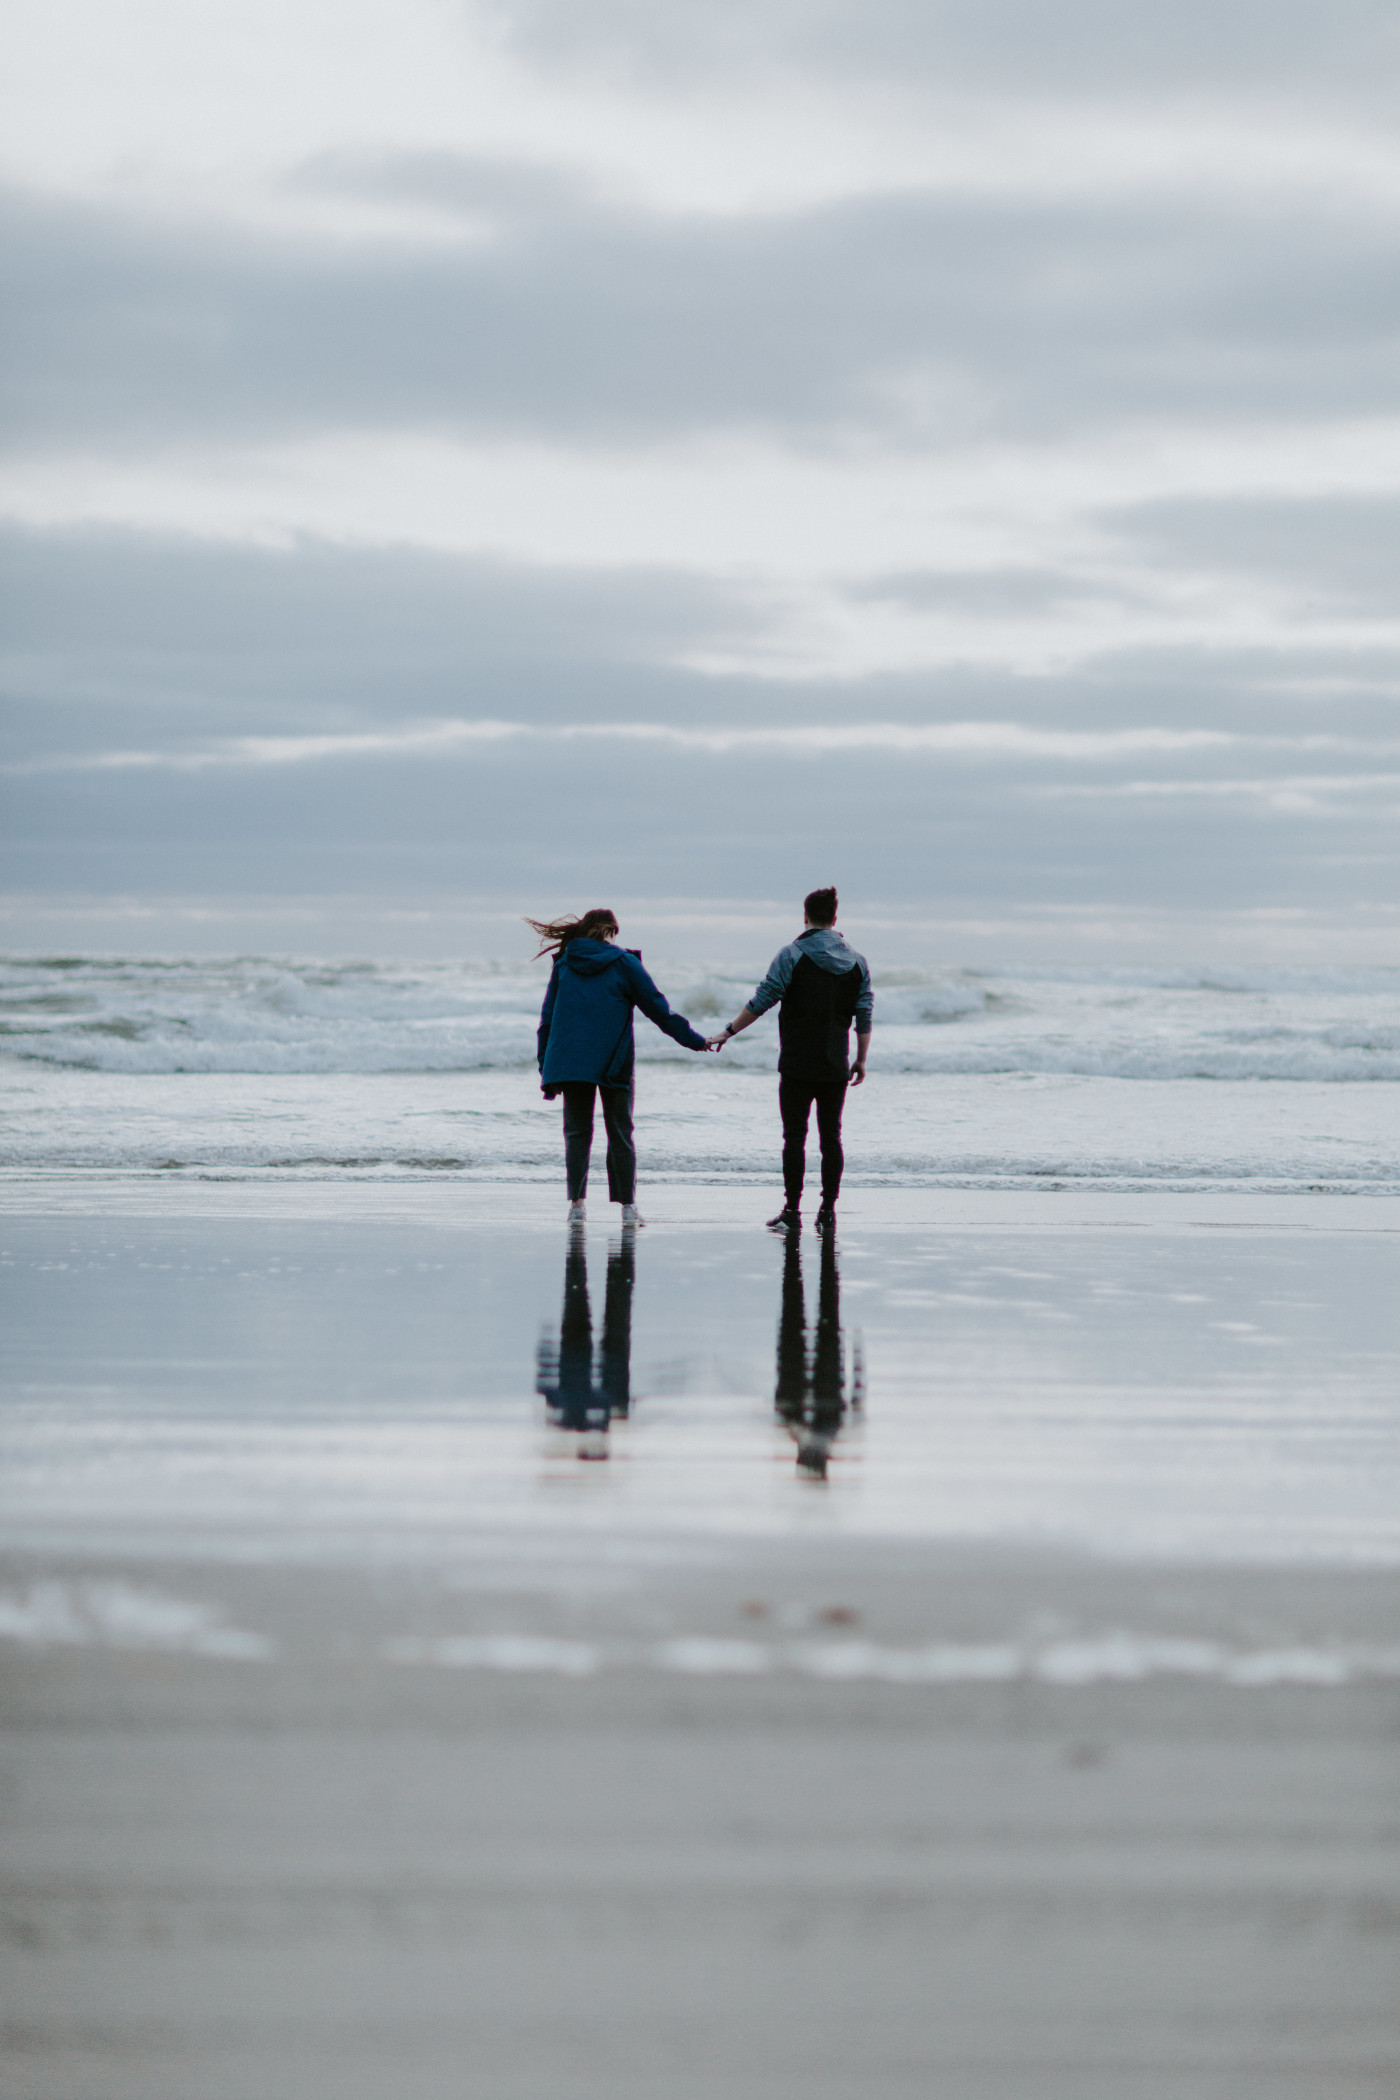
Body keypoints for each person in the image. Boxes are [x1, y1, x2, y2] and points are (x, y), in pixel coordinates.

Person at [528, 907, 711, 1225]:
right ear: (611, 930)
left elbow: (547, 1018)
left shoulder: (565, 962)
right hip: (614, 1060)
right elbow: (658, 1009)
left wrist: (546, 1064)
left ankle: (577, 1206)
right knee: (620, 1132)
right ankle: (628, 1208)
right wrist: (696, 1040)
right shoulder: (623, 962)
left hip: (570, 1061)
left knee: (577, 1133)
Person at [708, 886, 872, 1234]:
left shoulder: (792, 954)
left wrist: (728, 1031)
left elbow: (763, 998)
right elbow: (864, 1013)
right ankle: (827, 1212)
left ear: (805, 916)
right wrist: (860, 1059)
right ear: (835, 919)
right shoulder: (858, 961)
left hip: (797, 1063)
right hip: (835, 1064)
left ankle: (792, 1212)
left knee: (794, 1137)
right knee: (832, 1137)